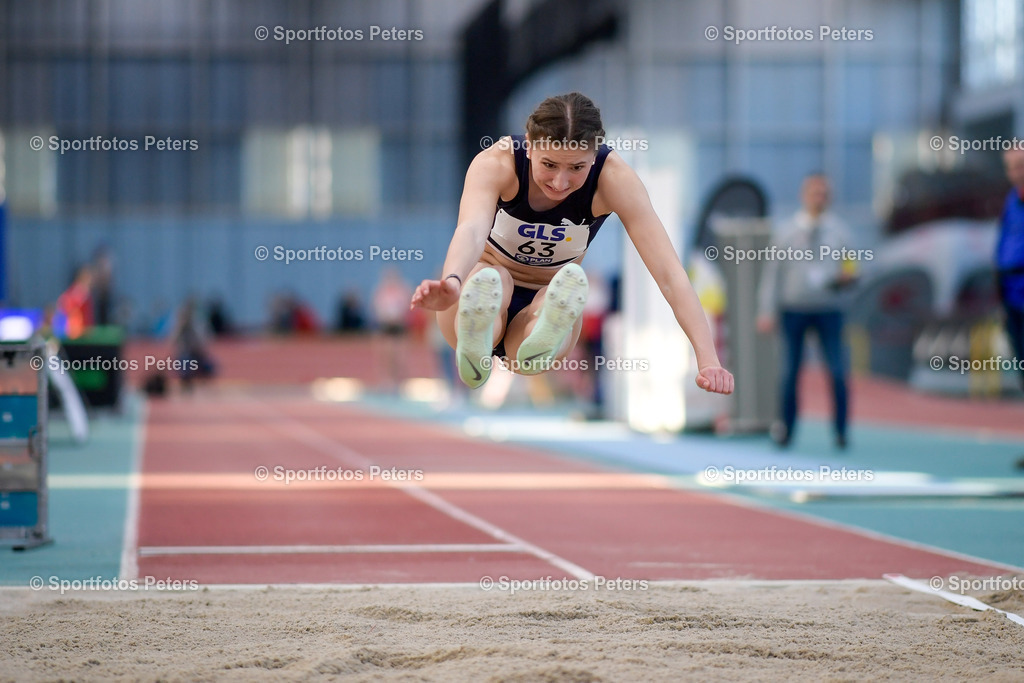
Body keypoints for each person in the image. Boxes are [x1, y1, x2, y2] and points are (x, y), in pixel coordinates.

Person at [410, 92, 733, 395]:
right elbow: (471, 229)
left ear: (594, 156)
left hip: (544, 296)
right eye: (549, 165)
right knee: (496, 279)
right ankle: (479, 332)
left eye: (577, 168)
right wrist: (453, 280)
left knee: (553, 299)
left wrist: (708, 359)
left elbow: (669, 273)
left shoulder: (615, 179)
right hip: (480, 282)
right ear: (531, 146)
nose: (560, 182)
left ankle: (543, 328)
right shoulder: (497, 163)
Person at [756, 173, 856, 449]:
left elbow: (852, 268)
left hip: (829, 310)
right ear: (804, 195)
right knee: (788, 374)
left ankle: (841, 431)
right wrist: (767, 310)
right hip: (793, 310)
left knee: (837, 371)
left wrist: (848, 280)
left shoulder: (841, 232)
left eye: (824, 193)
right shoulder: (786, 232)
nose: (819, 198)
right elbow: (772, 274)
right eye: (814, 192)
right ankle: (785, 429)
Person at [997, 149, 1024, 391]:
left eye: (1019, 166)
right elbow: (1003, 241)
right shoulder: (1011, 200)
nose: (1014, 173)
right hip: (1011, 293)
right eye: (1010, 167)